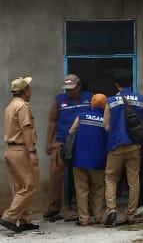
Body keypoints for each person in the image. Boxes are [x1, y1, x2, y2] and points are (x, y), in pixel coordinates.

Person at [103, 73, 143, 226]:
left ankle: (111, 210)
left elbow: (106, 127)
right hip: (134, 146)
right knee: (133, 181)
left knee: (111, 178)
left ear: (117, 85)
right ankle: (131, 214)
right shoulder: (142, 100)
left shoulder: (110, 102)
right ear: (132, 83)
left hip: (115, 146)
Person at [43, 74, 93, 221]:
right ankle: (53, 208)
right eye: (67, 89)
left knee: (86, 174)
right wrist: (49, 143)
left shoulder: (89, 98)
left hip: (83, 141)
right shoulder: (59, 101)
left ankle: (87, 206)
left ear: (79, 86)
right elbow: (52, 122)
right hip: (62, 142)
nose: (69, 92)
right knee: (55, 174)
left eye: (72, 89)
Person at [0, 76, 41, 233]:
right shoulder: (23, 106)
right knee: (30, 185)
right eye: (29, 88)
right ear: (26, 91)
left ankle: (25, 220)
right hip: (21, 149)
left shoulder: (10, 106)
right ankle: (9, 217)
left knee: (19, 187)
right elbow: (26, 130)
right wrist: (32, 152)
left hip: (10, 149)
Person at [68, 93, 109, 226]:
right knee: (97, 189)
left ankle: (83, 219)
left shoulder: (82, 116)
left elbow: (71, 132)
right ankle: (98, 217)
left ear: (92, 103)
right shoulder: (106, 120)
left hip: (80, 159)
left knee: (81, 190)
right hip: (98, 161)